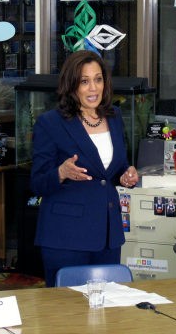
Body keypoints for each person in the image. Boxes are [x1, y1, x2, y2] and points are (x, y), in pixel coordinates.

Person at [31, 50, 139, 287]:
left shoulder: (114, 116)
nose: (93, 88)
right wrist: (61, 172)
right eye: (84, 81)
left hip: (108, 234)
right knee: (67, 313)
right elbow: (37, 182)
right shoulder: (50, 123)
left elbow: (113, 169)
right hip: (66, 237)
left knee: (108, 310)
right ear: (72, 86)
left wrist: (126, 175)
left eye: (98, 79)